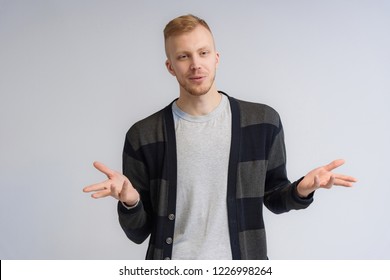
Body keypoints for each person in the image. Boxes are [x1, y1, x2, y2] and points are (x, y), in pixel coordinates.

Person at [83, 14, 357, 260]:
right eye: (183, 56)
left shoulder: (261, 123)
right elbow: (139, 231)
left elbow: (274, 198)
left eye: (203, 52)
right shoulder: (143, 136)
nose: (195, 64)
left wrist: (302, 189)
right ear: (170, 66)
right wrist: (130, 201)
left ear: (216, 57)